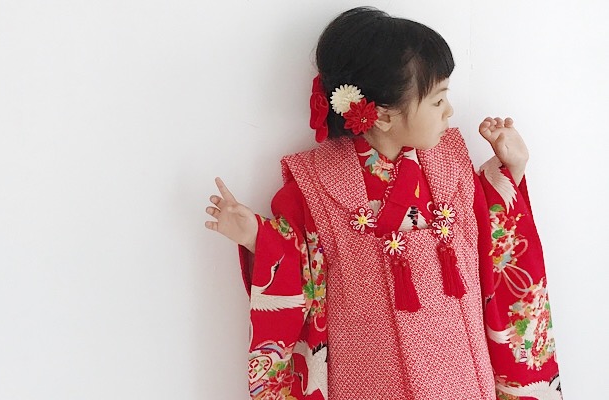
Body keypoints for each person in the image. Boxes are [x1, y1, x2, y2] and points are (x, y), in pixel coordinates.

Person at [205, 7, 561, 400]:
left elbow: (492, 239)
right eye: (437, 100)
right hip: (367, 372)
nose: (450, 111)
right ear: (384, 116)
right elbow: (302, 261)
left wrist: (510, 169)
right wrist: (258, 237)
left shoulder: (452, 166)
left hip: (461, 368)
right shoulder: (318, 182)